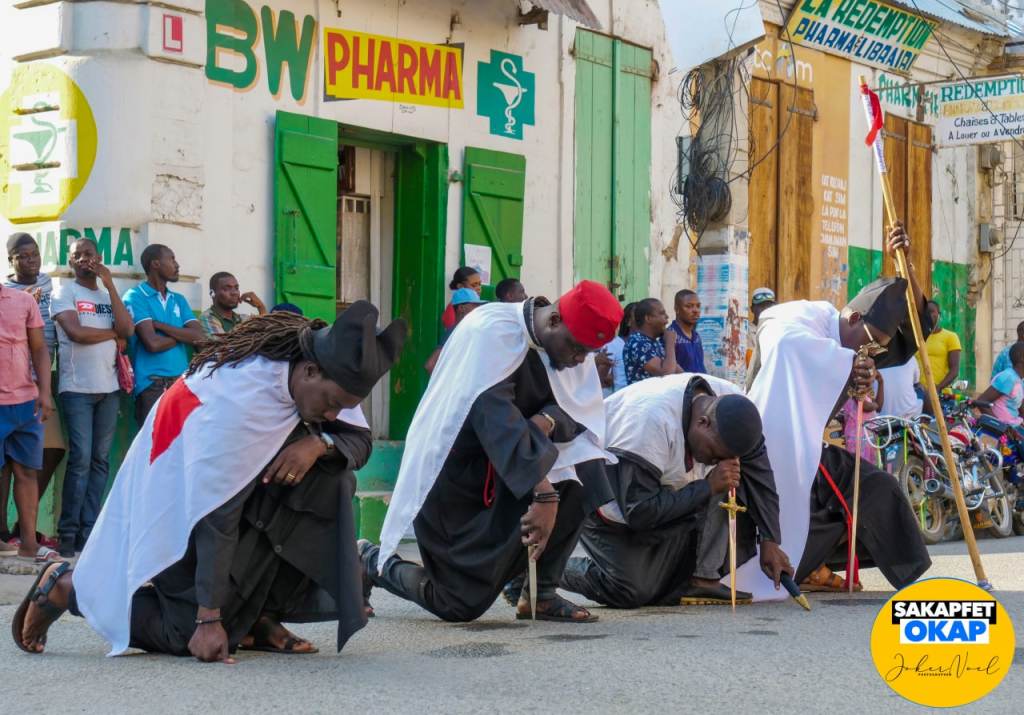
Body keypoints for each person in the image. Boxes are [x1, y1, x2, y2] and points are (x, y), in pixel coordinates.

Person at [14, 304, 407, 660]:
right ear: (309, 372)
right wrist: (208, 618)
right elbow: (218, 517)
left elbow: (358, 441)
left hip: (237, 504)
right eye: (332, 404)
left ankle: (259, 615)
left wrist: (319, 444)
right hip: (176, 508)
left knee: (333, 479)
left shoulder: (311, 378)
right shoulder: (237, 402)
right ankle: (70, 589)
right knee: (186, 634)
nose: (334, 414)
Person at [360, 281, 622, 624]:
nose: (579, 360)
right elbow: (497, 424)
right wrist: (545, 494)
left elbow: (580, 413)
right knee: (457, 604)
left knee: (588, 465)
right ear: (555, 319)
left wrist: (544, 422)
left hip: (515, 467)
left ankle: (540, 592)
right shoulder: (489, 332)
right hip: (458, 479)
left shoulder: (569, 348)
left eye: (587, 353)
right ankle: (370, 559)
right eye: (576, 349)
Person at [743, 223, 931, 598]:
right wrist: (847, 365)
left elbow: (916, 327)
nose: (871, 353)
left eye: (877, 349)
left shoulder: (858, 341)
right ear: (854, 318)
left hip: (815, 446)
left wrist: (905, 264)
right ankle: (804, 565)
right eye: (870, 345)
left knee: (878, 488)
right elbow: (787, 342)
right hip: (770, 442)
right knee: (810, 508)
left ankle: (910, 582)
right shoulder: (806, 317)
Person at [560, 374, 795, 608]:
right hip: (601, 497)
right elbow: (639, 513)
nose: (717, 461)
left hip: (664, 491)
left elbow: (760, 478)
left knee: (731, 476)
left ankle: (703, 577)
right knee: (632, 590)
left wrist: (770, 540)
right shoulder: (649, 425)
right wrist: (708, 486)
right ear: (703, 422)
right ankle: (548, 567)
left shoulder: (737, 411)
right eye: (715, 453)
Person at [50, 238, 135, 557]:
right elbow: (77, 334)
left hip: (109, 389)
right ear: (70, 261)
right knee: (81, 459)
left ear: (99, 258)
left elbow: (127, 330)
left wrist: (110, 285)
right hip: (76, 389)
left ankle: (89, 532)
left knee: (100, 460)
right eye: (77, 255)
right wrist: (113, 334)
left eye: (89, 254)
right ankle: (68, 533)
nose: (84, 259)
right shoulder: (64, 292)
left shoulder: (105, 294)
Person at [2, 233, 65, 549]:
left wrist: (43, 391)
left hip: (29, 395)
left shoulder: (28, 298)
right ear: (11, 260)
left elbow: (40, 348)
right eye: (23, 255)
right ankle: (3, 535)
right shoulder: (19, 294)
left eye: (34, 254)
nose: (31, 260)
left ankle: (27, 542)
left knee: (30, 467)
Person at [123, 244, 204, 426]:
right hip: (152, 385)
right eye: (172, 259)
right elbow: (153, 344)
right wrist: (183, 336)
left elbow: (200, 337)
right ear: (155, 264)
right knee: (152, 441)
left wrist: (160, 326)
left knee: (181, 440)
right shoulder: (135, 296)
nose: (177, 265)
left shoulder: (178, 299)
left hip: (181, 383)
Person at [424, 287, 486, 374]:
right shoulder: (455, 331)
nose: (478, 309)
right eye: (474, 305)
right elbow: (430, 365)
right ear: (461, 308)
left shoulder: (464, 329)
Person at [623, 298, 680, 385]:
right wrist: (670, 343)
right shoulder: (637, 342)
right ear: (648, 318)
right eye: (662, 313)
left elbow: (679, 372)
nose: (667, 317)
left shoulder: (654, 342)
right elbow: (666, 374)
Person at [198, 271, 267, 335]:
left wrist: (261, 307)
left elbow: (266, 333)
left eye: (236, 288)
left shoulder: (242, 318)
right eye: (226, 289)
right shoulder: (207, 318)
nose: (234, 293)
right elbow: (223, 343)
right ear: (212, 293)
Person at [977, 342, 1024, 433]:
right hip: (1004, 432)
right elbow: (981, 401)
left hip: (1014, 426)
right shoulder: (1008, 377)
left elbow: (1019, 407)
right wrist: (1001, 428)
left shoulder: (1018, 380)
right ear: (1022, 358)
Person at [918, 300, 961, 392]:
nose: (928, 315)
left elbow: (954, 370)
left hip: (940, 393)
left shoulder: (951, 337)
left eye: (931, 311)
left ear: (939, 315)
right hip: (918, 393)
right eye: (925, 312)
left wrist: (938, 388)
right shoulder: (917, 338)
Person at [668, 289, 706, 373]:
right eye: (689, 306)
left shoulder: (696, 336)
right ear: (677, 309)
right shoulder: (670, 336)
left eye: (698, 306)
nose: (695, 310)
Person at [746, 287, 777, 367]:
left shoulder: (778, 330)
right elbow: (751, 362)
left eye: (768, 306)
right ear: (752, 309)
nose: (765, 309)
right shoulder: (746, 331)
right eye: (761, 306)